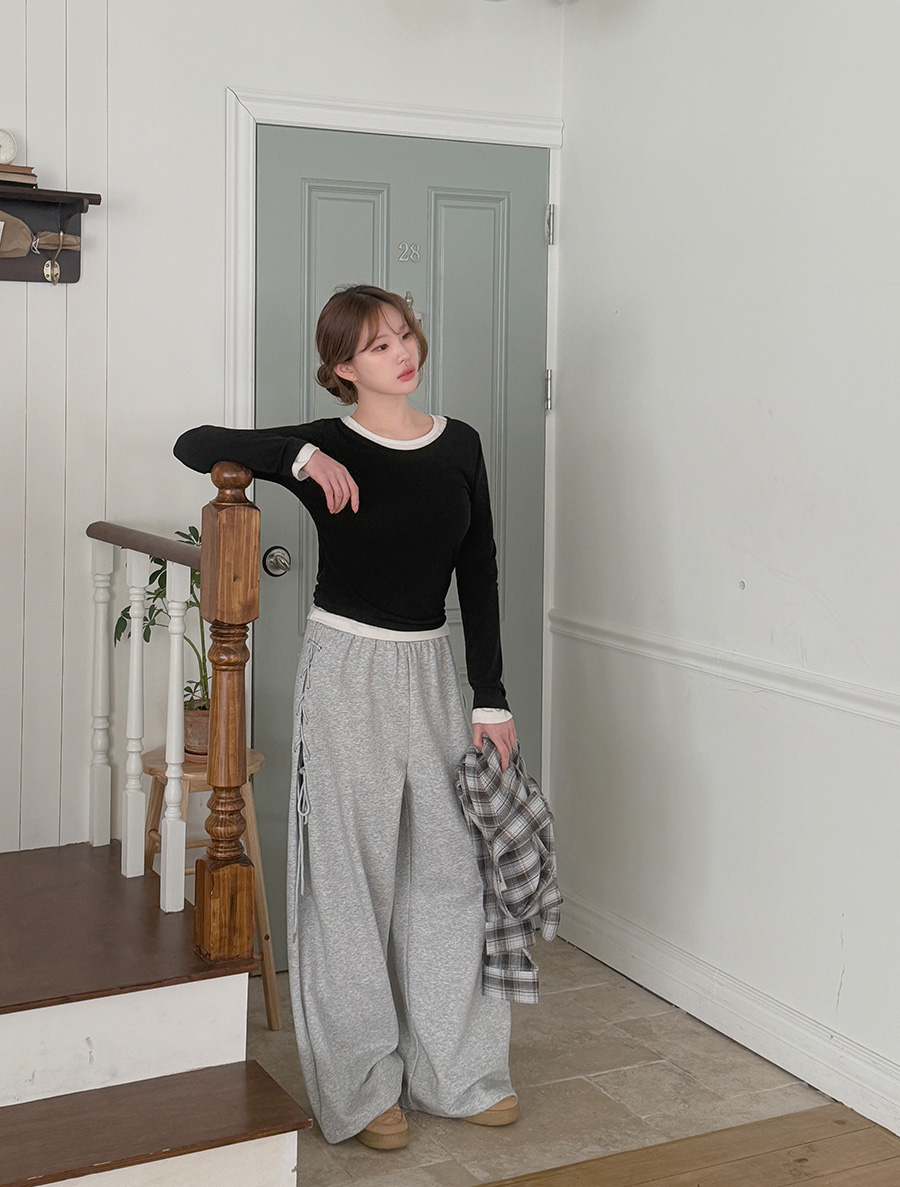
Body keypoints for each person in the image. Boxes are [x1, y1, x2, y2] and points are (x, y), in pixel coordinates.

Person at [174, 284, 518, 1149]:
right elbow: (195, 444)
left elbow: (478, 570)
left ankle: (458, 1071)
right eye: (377, 346)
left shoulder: (461, 444)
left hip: (432, 669)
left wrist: (491, 696)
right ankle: (364, 1088)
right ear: (342, 367)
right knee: (348, 877)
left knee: (451, 871)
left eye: (405, 335)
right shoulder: (327, 443)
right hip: (347, 669)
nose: (402, 353)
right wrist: (296, 457)